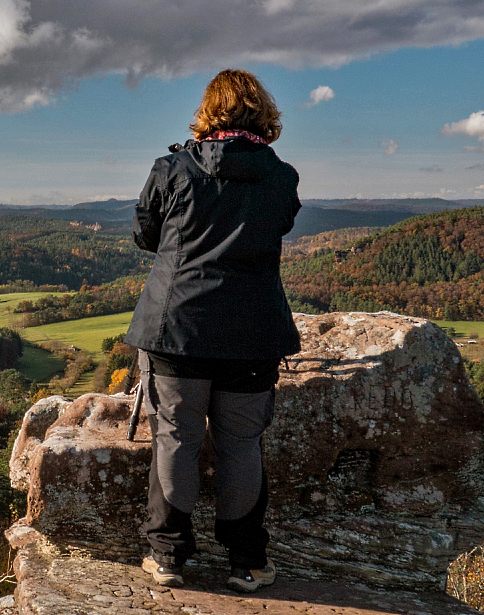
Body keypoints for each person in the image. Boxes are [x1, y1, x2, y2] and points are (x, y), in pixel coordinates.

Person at [123, 69, 300, 593]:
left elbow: (145, 234)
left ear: (208, 113)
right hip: (252, 331)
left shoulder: (174, 168)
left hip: (178, 328)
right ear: (262, 115)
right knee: (241, 442)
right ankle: (247, 561)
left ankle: (168, 557)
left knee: (176, 437)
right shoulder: (281, 176)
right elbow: (280, 225)